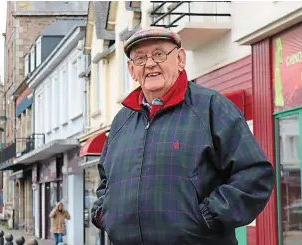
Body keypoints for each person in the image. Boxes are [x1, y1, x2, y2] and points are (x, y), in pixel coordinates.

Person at [90, 26, 275, 245]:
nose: (149, 64)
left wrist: (208, 216)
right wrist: (104, 212)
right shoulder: (122, 120)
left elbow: (254, 175)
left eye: (159, 54)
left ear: (180, 59)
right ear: (132, 70)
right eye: (140, 58)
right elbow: (105, 180)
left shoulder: (212, 107)